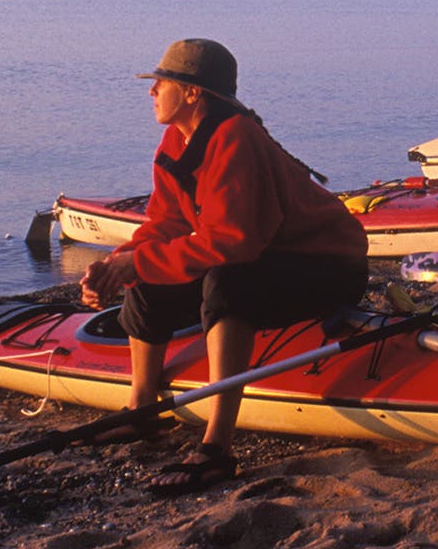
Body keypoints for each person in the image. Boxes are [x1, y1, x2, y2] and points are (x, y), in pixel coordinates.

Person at [79, 38, 370, 494]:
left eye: (161, 83)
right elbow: (165, 223)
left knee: (228, 282)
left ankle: (217, 445)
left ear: (193, 92)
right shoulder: (176, 138)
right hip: (265, 255)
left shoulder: (236, 136)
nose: (151, 92)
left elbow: (233, 243)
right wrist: (119, 265)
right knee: (146, 275)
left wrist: (141, 259)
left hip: (329, 264)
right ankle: (142, 410)